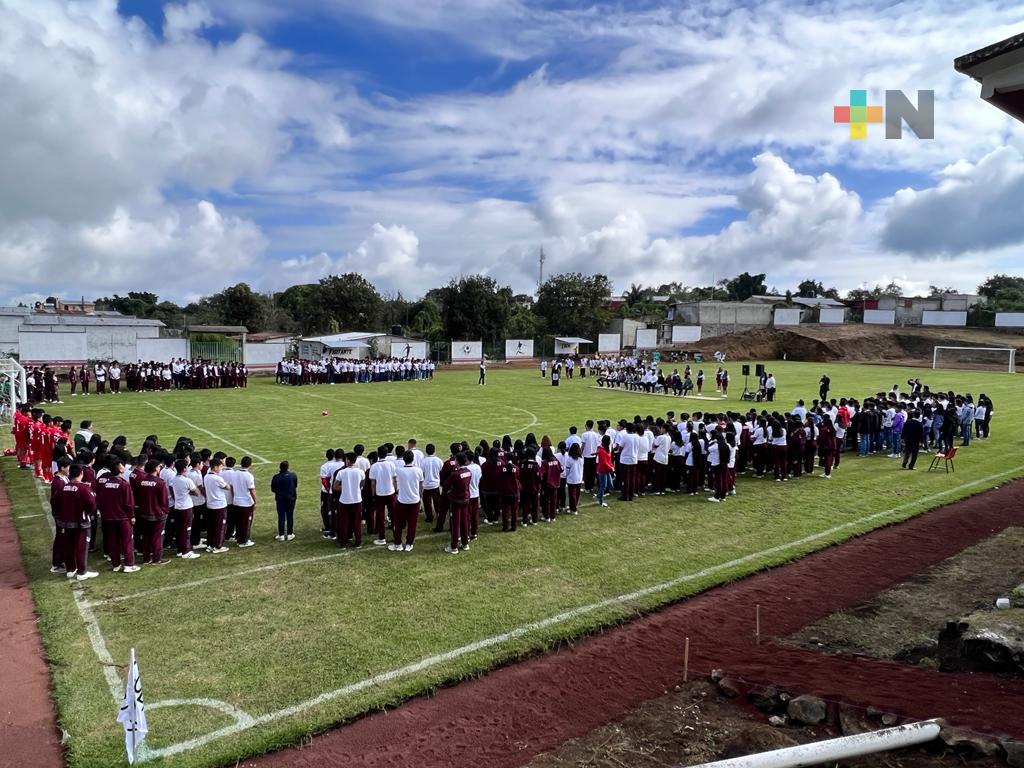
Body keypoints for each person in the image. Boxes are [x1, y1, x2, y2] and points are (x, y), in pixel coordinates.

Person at [96, 457, 139, 573]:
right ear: (119, 469)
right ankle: (129, 564)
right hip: (122, 518)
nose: (124, 467)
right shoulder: (124, 484)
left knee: (113, 541)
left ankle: (116, 564)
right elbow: (128, 503)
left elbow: (100, 500)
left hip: (108, 517)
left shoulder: (105, 484)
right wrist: (132, 516)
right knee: (127, 541)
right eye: (122, 465)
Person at [134, 459, 170, 564]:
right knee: (157, 537)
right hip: (157, 514)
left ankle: (146, 558)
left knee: (146, 536)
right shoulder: (160, 482)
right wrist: (165, 511)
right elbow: (164, 500)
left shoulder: (141, 481)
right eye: (159, 466)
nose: (160, 468)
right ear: (155, 468)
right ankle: (157, 558)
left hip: (144, 512)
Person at [170, 459, 202, 559]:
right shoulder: (187, 480)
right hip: (186, 507)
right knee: (186, 530)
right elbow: (197, 492)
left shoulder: (174, 479)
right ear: (184, 469)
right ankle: (186, 551)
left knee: (180, 530)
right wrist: (189, 492)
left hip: (177, 506)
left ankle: (180, 550)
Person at [393, 450, 423, 551]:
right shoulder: (418, 470)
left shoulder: (399, 470)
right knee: (412, 523)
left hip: (402, 500)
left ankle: (398, 543)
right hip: (414, 500)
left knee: (398, 523)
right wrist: (420, 496)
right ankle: (409, 543)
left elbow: (395, 483)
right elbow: (421, 485)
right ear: (413, 459)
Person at [443, 453, 472, 553]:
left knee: (456, 524)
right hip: (465, 499)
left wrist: (450, 492)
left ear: (458, 462)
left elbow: (446, 485)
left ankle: (454, 546)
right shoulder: (468, 471)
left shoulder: (455, 474)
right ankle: (465, 543)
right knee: (464, 521)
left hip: (457, 500)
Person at [368, 445, 397, 546]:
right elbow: (394, 479)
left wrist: (373, 495)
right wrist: (395, 490)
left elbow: (373, 483)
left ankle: (382, 537)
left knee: (380, 516)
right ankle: (396, 536)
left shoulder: (374, 466)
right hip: (390, 492)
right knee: (394, 515)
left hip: (379, 493)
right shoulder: (391, 464)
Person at [334, 452, 365, 548]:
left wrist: (345, 487)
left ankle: (343, 542)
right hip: (357, 499)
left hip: (344, 500)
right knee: (357, 522)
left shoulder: (341, 472)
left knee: (344, 522)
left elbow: (335, 486)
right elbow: (362, 483)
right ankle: (358, 542)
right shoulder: (360, 472)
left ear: (347, 460)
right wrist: (355, 487)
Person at [203, 458, 232, 554]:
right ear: (215, 467)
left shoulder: (206, 477)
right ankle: (218, 546)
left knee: (211, 526)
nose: (221, 469)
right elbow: (227, 487)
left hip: (210, 504)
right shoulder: (217, 478)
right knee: (220, 526)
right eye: (220, 467)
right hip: (219, 505)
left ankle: (211, 544)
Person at [232, 456, 257, 547]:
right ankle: (243, 541)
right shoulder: (249, 476)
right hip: (246, 503)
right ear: (250, 464)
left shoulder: (235, 473)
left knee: (238, 522)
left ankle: (239, 538)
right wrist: (255, 502)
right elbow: (252, 490)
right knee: (246, 523)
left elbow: (231, 486)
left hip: (236, 501)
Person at [420, 444, 443, 524]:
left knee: (427, 503)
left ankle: (429, 517)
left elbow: (422, 473)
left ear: (426, 451)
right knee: (437, 501)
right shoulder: (439, 460)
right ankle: (438, 514)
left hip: (426, 485)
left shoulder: (423, 461)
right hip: (436, 484)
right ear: (434, 450)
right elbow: (441, 472)